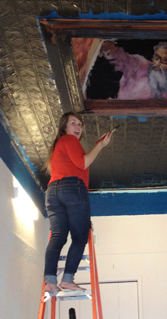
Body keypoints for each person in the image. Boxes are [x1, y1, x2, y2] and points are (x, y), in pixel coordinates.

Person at [43, 112, 112, 292]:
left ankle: (50, 281)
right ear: (64, 127)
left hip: (52, 192)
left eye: (80, 124)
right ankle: (67, 279)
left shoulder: (60, 145)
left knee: (58, 237)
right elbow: (83, 163)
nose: (78, 127)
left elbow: (77, 162)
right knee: (80, 237)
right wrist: (101, 146)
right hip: (72, 189)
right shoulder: (70, 140)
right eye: (73, 123)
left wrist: (97, 145)